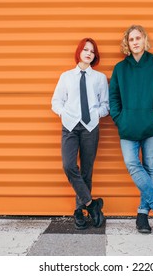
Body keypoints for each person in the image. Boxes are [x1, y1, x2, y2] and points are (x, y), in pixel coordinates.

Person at [109, 25, 153, 234]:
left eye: (138, 38)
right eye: (131, 39)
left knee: (150, 168)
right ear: (127, 44)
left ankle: (143, 215)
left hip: (151, 127)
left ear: (144, 40)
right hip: (128, 127)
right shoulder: (120, 68)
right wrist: (120, 119)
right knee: (132, 164)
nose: (135, 42)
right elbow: (114, 98)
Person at [51, 38, 109, 229]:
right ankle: (92, 205)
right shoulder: (66, 77)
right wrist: (63, 112)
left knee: (86, 171)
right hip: (70, 125)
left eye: (92, 51)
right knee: (69, 166)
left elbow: (105, 105)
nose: (88, 53)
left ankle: (79, 211)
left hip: (90, 127)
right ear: (79, 52)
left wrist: (95, 114)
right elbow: (56, 101)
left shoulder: (99, 78)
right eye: (85, 49)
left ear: (95, 56)